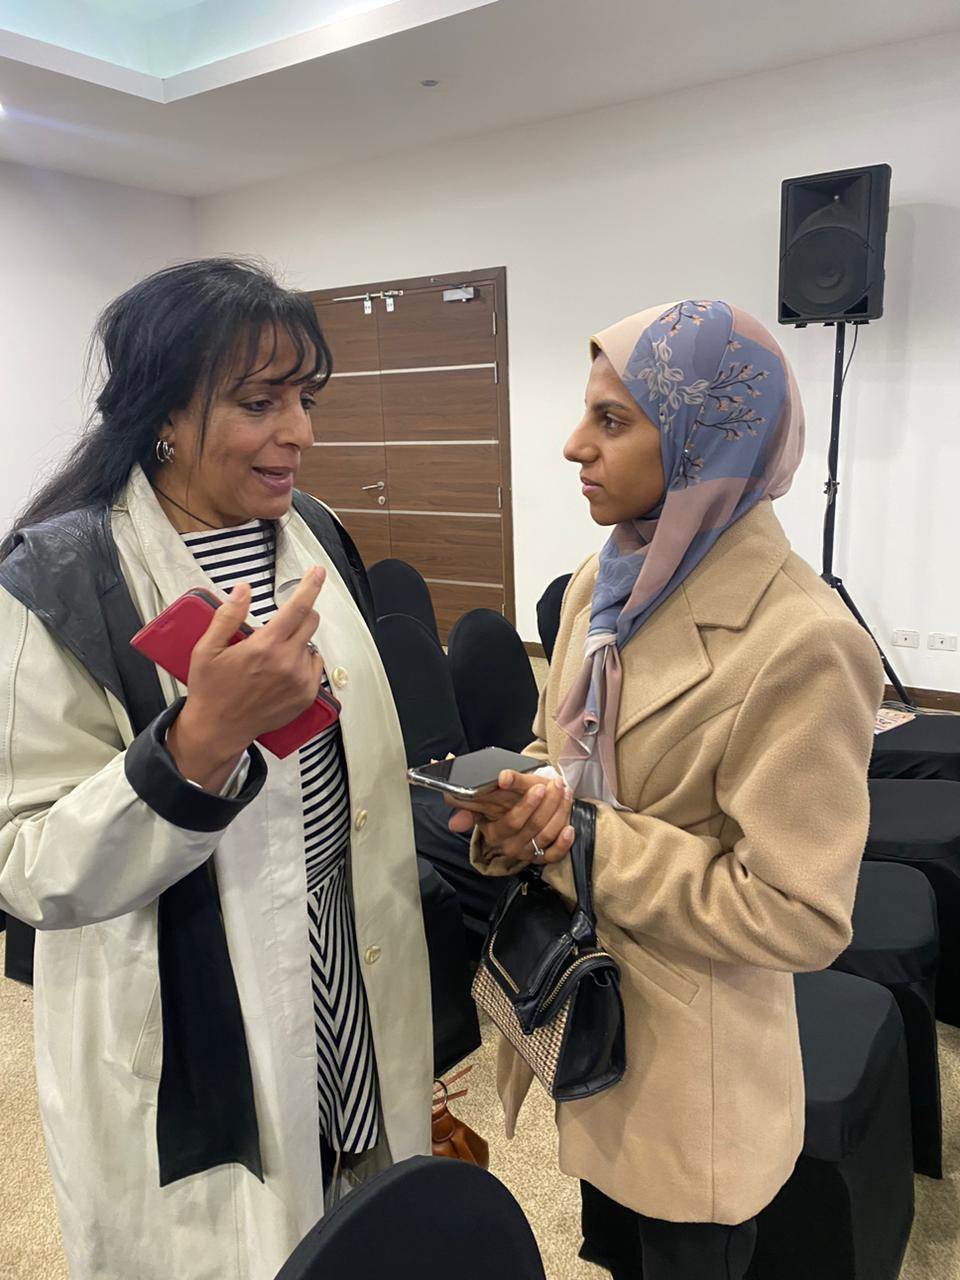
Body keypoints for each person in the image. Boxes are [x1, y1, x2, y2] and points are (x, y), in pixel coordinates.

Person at [0, 259, 432, 1280]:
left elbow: (343, 766)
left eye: (306, 399)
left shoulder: (312, 532)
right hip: (193, 1009)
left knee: (354, 1217)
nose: (301, 431)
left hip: (342, 954)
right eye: (259, 402)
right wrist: (198, 745)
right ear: (163, 414)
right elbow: (26, 862)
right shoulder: (64, 578)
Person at [448, 299, 884, 1280]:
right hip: (588, 1018)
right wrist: (520, 804)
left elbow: (800, 913)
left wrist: (578, 839)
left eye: (612, 420)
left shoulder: (803, 642)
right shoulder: (602, 581)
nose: (573, 445)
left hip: (694, 1070)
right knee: (616, 1251)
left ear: (703, 440)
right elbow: (560, 752)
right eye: (585, 413)